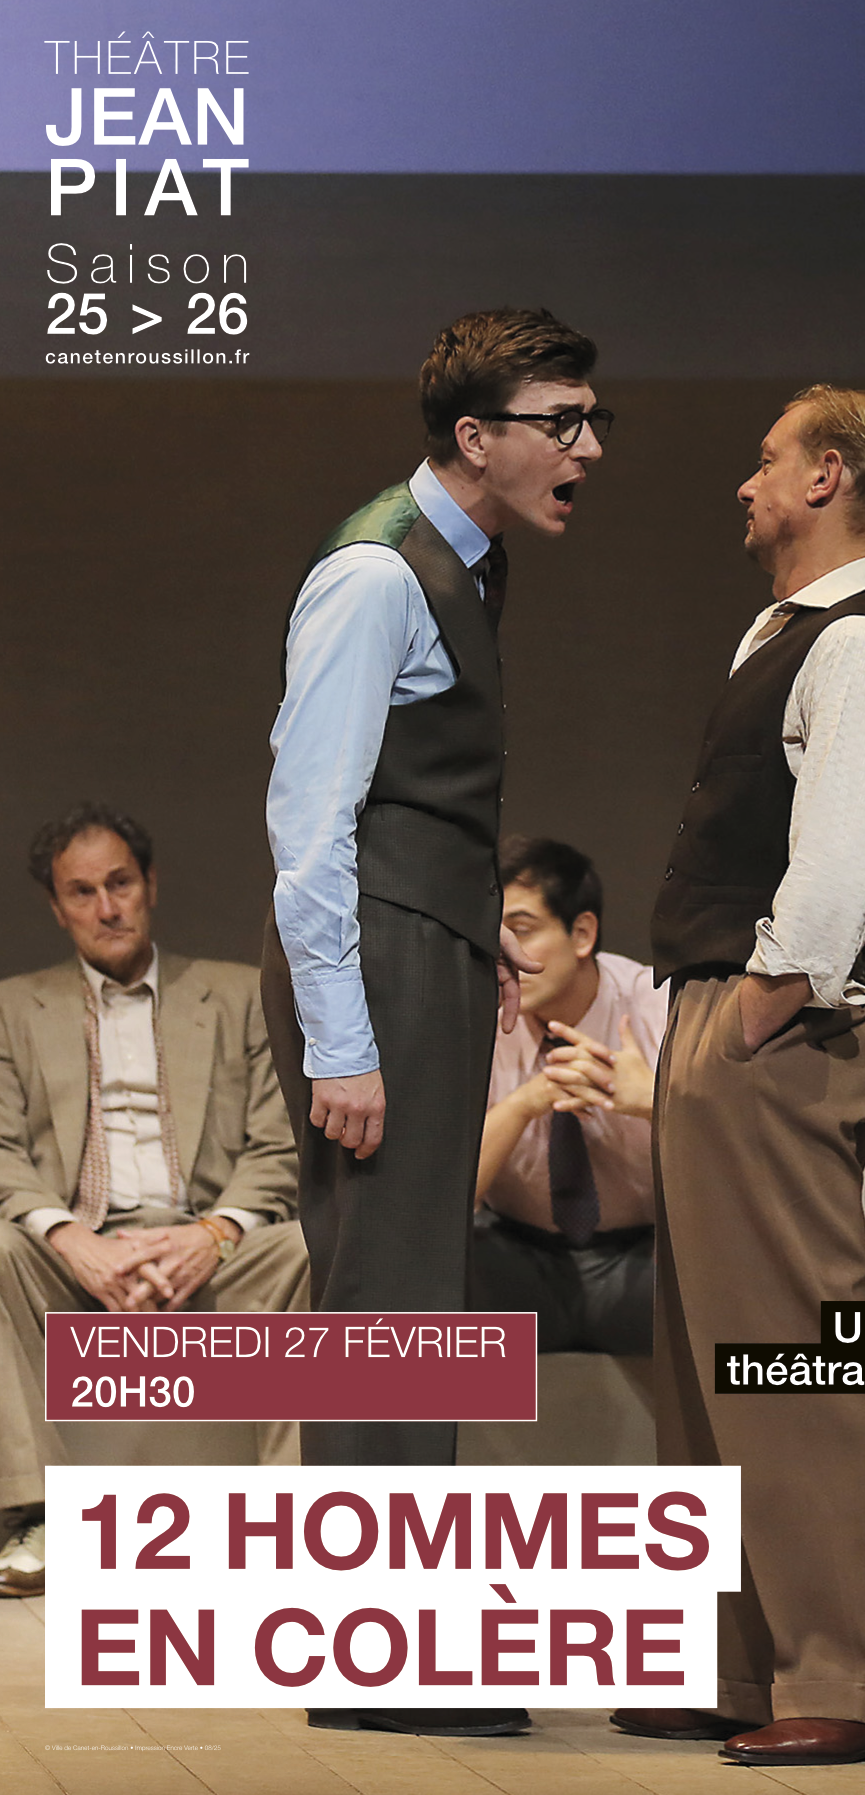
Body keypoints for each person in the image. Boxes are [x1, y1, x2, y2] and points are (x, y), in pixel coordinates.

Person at [261, 308, 608, 1740]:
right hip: (375, 960)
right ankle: (387, 1655)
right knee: (388, 1297)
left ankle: (398, 1642)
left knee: (417, 1293)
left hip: (427, 948)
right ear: (476, 436)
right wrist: (346, 1038)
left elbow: (425, 796)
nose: (589, 447)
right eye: (561, 421)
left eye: (591, 418)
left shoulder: (469, 557)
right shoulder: (376, 572)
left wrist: (480, 945)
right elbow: (309, 825)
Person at [612, 385, 865, 1768]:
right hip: (720, 1009)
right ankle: (741, 1661)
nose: (745, 485)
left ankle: (854, 1674)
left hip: (777, 1023)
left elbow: (848, 853)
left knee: (793, 1353)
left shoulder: (860, 646)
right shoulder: (783, 634)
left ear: (830, 474)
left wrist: (760, 1004)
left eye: (765, 461)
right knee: (706, 1358)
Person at [0, 803, 305, 1600]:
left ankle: (295, 1514)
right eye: (82, 891)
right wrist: (71, 1239)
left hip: (209, 1246)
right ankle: (38, 1514)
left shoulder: (237, 995)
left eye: (121, 883)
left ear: (151, 885)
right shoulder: (12, 1008)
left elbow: (277, 1146)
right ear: (57, 906)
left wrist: (214, 1233)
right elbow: (1, 1151)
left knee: (308, 1248)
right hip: (75, 1253)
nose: (107, 907)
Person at [473, 835, 666, 1354]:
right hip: (516, 1256)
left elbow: (744, 1155)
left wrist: (654, 1100)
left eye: (520, 930)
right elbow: (442, 1203)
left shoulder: (659, 1006)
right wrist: (524, 1105)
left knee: (764, 1293)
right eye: (489, 934)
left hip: (646, 1258)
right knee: (391, 1276)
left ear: (582, 933)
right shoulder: (473, 1016)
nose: (502, 954)